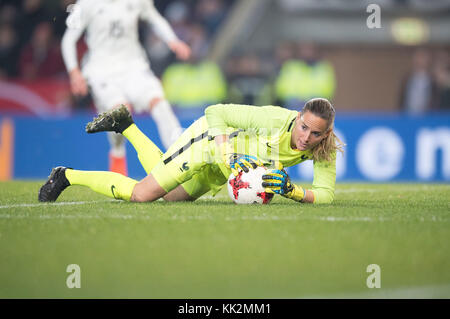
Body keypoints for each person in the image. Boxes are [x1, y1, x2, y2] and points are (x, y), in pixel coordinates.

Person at [38, 98, 343, 204]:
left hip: (225, 168)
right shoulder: (273, 120)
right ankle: (66, 175)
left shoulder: (323, 149)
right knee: (143, 194)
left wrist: (294, 192)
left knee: (168, 195)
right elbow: (215, 112)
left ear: (325, 134)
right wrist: (229, 156)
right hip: (207, 144)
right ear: (298, 118)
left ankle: (126, 125)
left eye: (315, 134)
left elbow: (325, 194)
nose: (306, 137)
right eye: (303, 127)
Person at [61, 0, 191, 176]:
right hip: (101, 70)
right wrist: (74, 72)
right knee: (121, 112)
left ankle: (180, 159)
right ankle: (117, 153)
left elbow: (155, 19)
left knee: (159, 103)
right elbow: (68, 39)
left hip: (134, 66)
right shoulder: (86, 4)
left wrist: (173, 41)